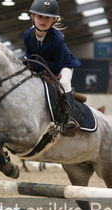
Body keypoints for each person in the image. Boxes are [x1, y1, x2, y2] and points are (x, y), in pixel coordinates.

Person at [23, 0, 82, 134]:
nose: (43, 20)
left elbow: (56, 66)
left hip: (63, 65)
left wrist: (34, 64)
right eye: (39, 17)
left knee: (64, 82)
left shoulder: (58, 39)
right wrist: (29, 63)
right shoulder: (27, 35)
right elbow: (29, 55)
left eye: (47, 17)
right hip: (41, 65)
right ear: (33, 17)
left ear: (53, 20)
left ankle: (69, 118)